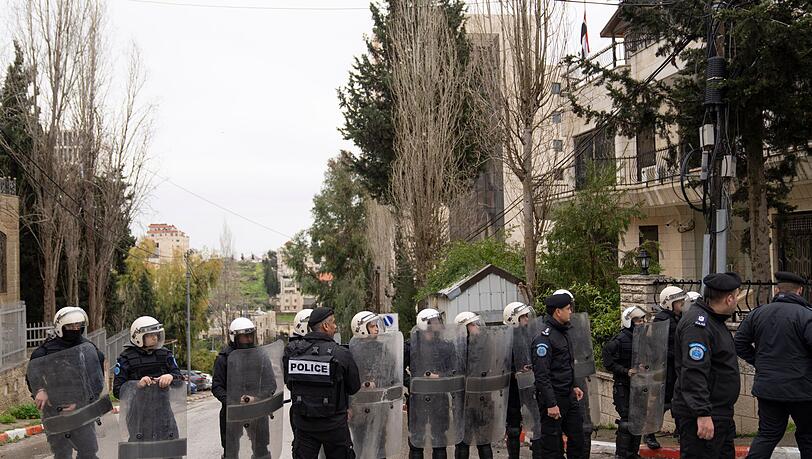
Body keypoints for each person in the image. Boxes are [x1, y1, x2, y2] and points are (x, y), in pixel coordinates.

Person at [734, 271, 812, 458]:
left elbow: (739, 343)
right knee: (808, 436)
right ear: (799, 290)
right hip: (802, 389)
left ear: (777, 289)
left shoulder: (758, 313)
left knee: (767, 434)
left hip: (768, 388)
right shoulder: (806, 315)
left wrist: (759, 362)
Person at [672, 272, 741, 459]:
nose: (736, 301)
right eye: (736, 296)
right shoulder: (698, 326)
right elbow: (694, 372)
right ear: (729, 299)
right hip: (703, 414)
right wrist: (702, 414)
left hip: (719, 413)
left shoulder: (713, 321)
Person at [27, 307, 106, 459]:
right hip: (54, 411)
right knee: (62, 453)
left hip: (82, 410)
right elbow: (32, 375)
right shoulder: (44, 351)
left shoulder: (89, 350)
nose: (75, 329)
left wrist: (80, 404)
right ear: (60, 327)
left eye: (78, 326)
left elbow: (97, 382)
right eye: (70, 326)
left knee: (89, 452)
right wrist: (39, 390)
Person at [284, 307, 361, 459]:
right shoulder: (341, 353)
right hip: (334, 427)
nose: (335, 326)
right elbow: (354, 387)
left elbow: (289, 383)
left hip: (304, 426)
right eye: (333, 323)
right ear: (325, 326)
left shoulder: (292, 351)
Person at [113, 316, 183, 445]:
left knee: (171, 449)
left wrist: (171, 377)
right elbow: (118, 390)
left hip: (164, 412)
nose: (155, 338)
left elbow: (179, 380)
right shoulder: (126, 358)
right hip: (138, 415)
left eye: (156, 334)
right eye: (150, 335)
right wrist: (136, 384)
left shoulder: (165, 354)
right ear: (138, 336)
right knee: (141, 451)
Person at [212, 317, 276, 459]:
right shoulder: (224, 357)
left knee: (261, 450)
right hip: (232, 411)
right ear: (234, 337)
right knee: (231, 451)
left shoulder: (261, 355)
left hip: (257, 410)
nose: (248, 339)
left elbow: (270, 384)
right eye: (244, 336)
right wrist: (232, 401)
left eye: (250, 335)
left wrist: (257, 398)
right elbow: (216, 386)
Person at [532, 293, 585, 459]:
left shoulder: (564, 332)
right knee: (553, 448)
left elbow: (567, 363)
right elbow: (542, 375)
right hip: (554, 400)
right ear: (557, 312)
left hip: (568, 396)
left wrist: (574, 385)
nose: (571, 312)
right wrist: (551, 404)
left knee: (578, 440)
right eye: (568, 309)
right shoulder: (544, 339)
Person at [408, 307, 462, 459]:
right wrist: (414, 382)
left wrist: (440, 377)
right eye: (435, 321)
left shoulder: (446, 345)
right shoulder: (411, 346)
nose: (439, 324)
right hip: (417, 400)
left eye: (439, 320)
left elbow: (454, 370)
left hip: (439, 399)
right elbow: (398, 372)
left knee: (439, 441)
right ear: (425, 324)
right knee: (416, 442)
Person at [347, 310, 402, 459]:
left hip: (379, 404)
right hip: (358, 407)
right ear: (361, 328)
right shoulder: (350, 351)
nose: (377, 329)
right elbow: (346, 382)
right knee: (360, 445)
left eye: (376, 325)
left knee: (379, 444)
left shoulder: (383, 349)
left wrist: (380, 383)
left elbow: (393, 374)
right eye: (372, 326)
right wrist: (348, 406)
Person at [645, 285, 687, 449]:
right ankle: (649, 434)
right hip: (665, 370)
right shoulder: (662, 320)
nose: (682, 304)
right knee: (659, 405)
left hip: (677, 368)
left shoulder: (679, 317)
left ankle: (681, 432)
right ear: (669, 303)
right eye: (678, 301)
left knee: (680, 402)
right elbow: (656, 346)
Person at [603, 306, 647, 459]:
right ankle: (621, 455)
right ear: (629, 321)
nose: (641, 322)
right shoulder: (619, 340)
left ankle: (633, 453)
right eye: (637, 320)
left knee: (638, 419)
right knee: (626, 421)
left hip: (639, 385)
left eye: (642, 319)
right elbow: (608, 362)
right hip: (623, 385)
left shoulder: (643, 338)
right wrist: (626, 371)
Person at [454, 311, 498, 459]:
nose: (476, 327)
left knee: (483, 441)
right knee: (462, 441)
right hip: (465, 398)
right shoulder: (460, 346)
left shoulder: (483, 342)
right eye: (471, 325)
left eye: (475, 324)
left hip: (481, 397)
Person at [503, 301, 542, 459]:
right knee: (513, 428)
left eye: (527, 315)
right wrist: (515, 372)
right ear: (513, 318)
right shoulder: (505, 339)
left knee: (538, 422)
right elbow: (499, 364)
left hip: (531, 385)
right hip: (513, 388)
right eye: (523, 316)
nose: (527, 319)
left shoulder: (532, 334)